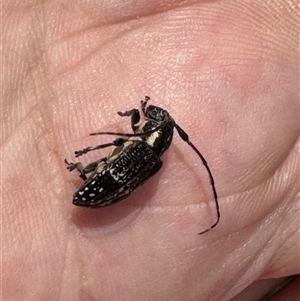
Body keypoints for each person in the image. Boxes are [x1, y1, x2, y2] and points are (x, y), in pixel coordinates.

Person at [2, 1, 299, 300]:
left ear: (154, 130)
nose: (152, 115)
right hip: (104, 190)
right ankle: (82, 168)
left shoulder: (144, 151)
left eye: (152, 117)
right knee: (109, 152)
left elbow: (112, 143)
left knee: (108, 150)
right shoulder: (153, 159)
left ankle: (80, 168)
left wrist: (104, 139)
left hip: (102, 186)